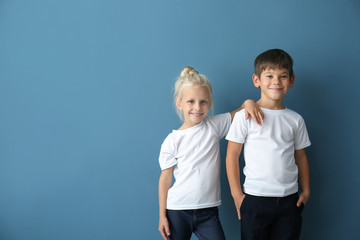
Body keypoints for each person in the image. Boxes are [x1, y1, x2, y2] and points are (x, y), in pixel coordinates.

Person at [158, 66, 264, 240]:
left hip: (208, 212)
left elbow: (241, 111)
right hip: (177, 210)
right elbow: (165, 178)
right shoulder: (172, 140)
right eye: (191, 101)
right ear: (179, 103)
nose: (197, 107)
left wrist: (248, 103)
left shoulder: (214, 126)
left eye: (203, 102)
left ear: (210, 102)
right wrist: (162, 215)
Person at [226, 49, 311, 240]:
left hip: (290, 201)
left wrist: (306, 191)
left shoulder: (295, 120)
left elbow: (301, 157)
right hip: (254, 200)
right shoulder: (244, 117)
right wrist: (237, 196)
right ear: (257, 80)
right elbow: (232, 155)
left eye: (283, 76)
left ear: (291, 81)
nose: (276, 81)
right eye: (269, 76)